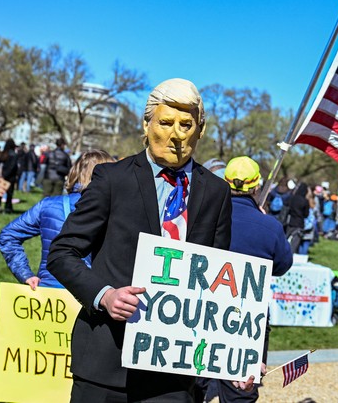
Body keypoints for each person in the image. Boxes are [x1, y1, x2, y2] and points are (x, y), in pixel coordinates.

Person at [48, 78, 240, 403]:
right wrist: (104, 295)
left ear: (200, 130)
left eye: (186, 124)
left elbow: (219, 282)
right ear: (147, 123)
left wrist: (237, 356)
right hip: (106, 359)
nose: (176, 134)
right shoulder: (112, 179)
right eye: (166, 122)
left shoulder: (217, 193)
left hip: (173, 376)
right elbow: (62, 253)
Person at [196, 155, 293, 402]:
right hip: (247, 320)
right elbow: (282, 265)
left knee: (195, 385)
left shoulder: (203, 217)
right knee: (240, 392)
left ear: (224, 183)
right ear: (257, 186)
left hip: (201, 312)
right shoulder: (270, 226)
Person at [0, 150, 114, 288]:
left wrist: (25, 274)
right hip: (93, 294)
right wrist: (25, 274)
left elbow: (8, 235)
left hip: (50, 294)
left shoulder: (47, 205)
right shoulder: (115, 210)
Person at [0, 139, 19, 213]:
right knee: (9, 194)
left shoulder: (1, 154)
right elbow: (12, 167)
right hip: (10, 177)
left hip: (0, 176)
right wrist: (5, 175)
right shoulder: (13, 155)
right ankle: (8, 208)